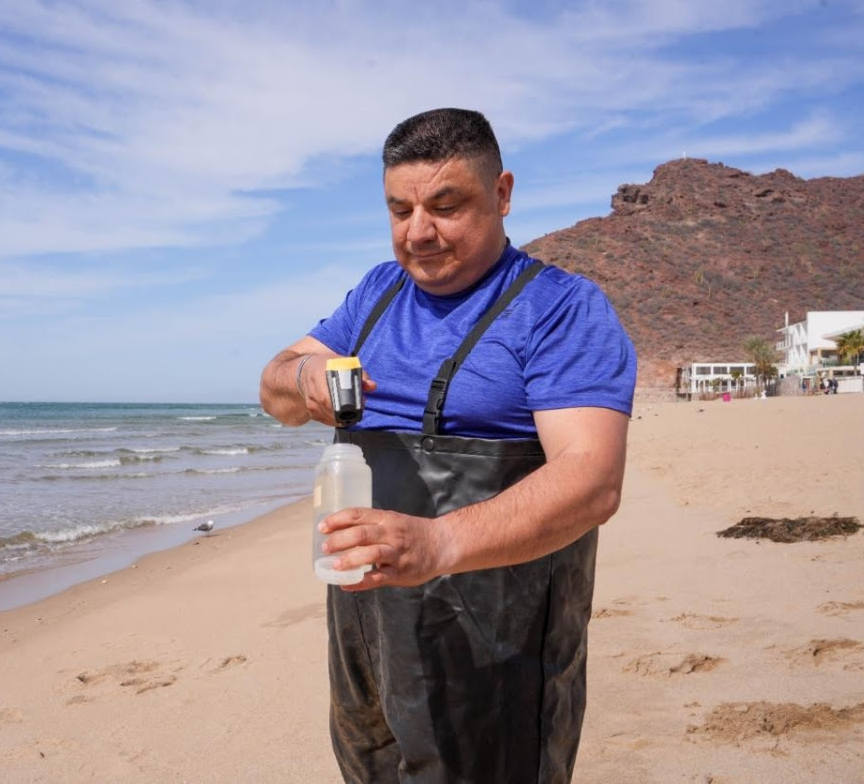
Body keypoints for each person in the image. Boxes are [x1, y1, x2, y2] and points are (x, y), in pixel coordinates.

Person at [259, 108, 636, 783]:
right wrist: (304, 375)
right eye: (399, 210)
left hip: (497, 645)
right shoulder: (378, 292)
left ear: (502, 194)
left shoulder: (561, 308)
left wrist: (435, 545)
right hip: (364, 623)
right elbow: (274, 385)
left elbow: (592, 477)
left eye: (445, 205)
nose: (418, 232)